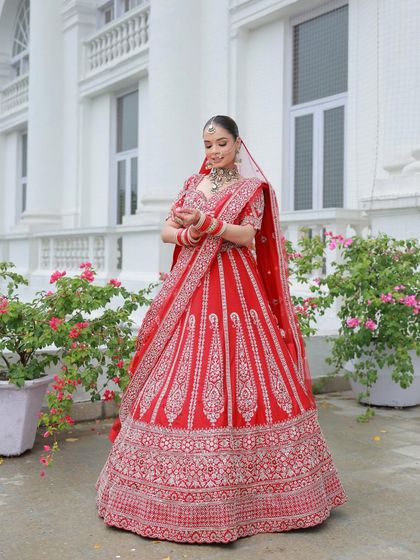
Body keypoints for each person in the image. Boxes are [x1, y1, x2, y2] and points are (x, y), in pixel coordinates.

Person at [96, 115, 347, 543]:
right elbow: (166, 231)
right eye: (208, 144)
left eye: (222, 143)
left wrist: (207, 224)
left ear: (237, 144)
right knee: (177, 375)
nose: (214, 151)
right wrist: (187, 234)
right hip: (191, 291)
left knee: (246, 374)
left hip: (235, 288)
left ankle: (269, 496)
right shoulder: (194, 185)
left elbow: (248, 235)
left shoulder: (250, 189)